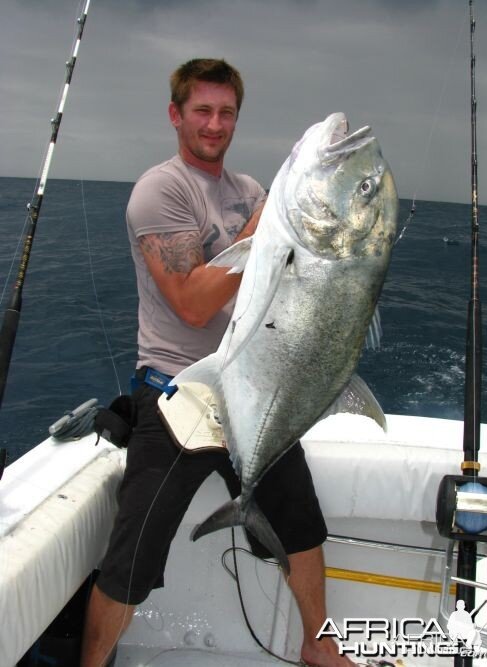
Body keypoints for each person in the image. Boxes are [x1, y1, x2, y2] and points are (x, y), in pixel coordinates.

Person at [80, 58, 351, 667]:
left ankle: (318, 644)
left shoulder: (252, 191)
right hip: (177, 390)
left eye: (226, 112)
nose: (214, 123)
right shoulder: (163, 190)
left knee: (301, 526)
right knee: (133, 559)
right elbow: (192, 303)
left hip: (253, 388)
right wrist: (270, 222)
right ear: (176, 115)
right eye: (202, 110)